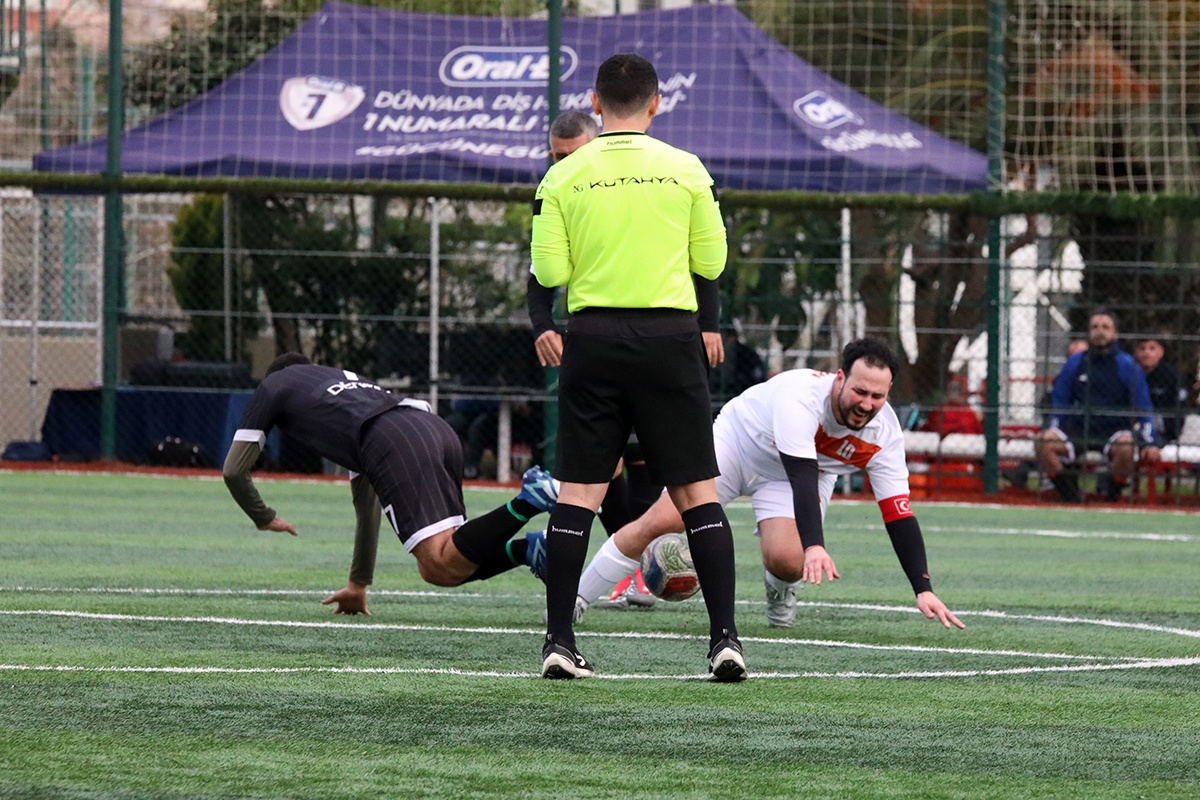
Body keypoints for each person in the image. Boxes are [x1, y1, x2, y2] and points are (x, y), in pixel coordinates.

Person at [530, 53, 742, 681]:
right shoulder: (688, 169)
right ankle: (725, 642)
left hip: (592, 339)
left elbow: (550, 272)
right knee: (698, 495)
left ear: (595, 104)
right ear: (656, 103)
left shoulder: (563, 176)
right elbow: (712, 264)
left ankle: (559, 642)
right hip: (670, 340)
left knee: (578, 495)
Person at [575, 338, 965, 632]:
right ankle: (575, 598)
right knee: (660, 522)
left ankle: (779, 588)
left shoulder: (885, 435)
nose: (866, 403)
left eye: (878, 396)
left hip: (790, 473)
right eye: (859, 391)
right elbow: (801, 476)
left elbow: (898, 514)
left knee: (789, 560)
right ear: (840, 378)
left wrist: (923, 588)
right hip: (738, 444)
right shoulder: (802, 397)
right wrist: (816, 545)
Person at [222, 353, 559, 615]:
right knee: (443, 568)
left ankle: (528, 501)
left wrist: (263, 516)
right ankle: (527, 550)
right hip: (434, 429)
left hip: (393, 441)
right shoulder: (342, 388)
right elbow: (367, 508)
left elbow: (234, 470)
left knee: (440, 560)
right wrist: (358, 584)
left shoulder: (275, 384)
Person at [1035, 310, 1161, 503]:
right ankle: (1071, 497)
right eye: (1094, 327)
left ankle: (1110, 498)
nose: (1099, 331)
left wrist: (1150, 442)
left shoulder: (1127, 365)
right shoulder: (1075, 363)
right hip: (1078, 428)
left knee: (1126, 448)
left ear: (1115, 334)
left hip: (1114, 429)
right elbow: (1059, 402)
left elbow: (1144, 407)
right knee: (1043, 442)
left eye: (1105, 327)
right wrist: (1052, 427)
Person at [1134, 333, 1185, 443]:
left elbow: (1179, 410)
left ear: (1161, 352)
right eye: (1142, 348)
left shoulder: (1172, 376)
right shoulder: (1130, 373)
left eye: (1152, 348)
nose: (1147, 353)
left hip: (1163, 431)